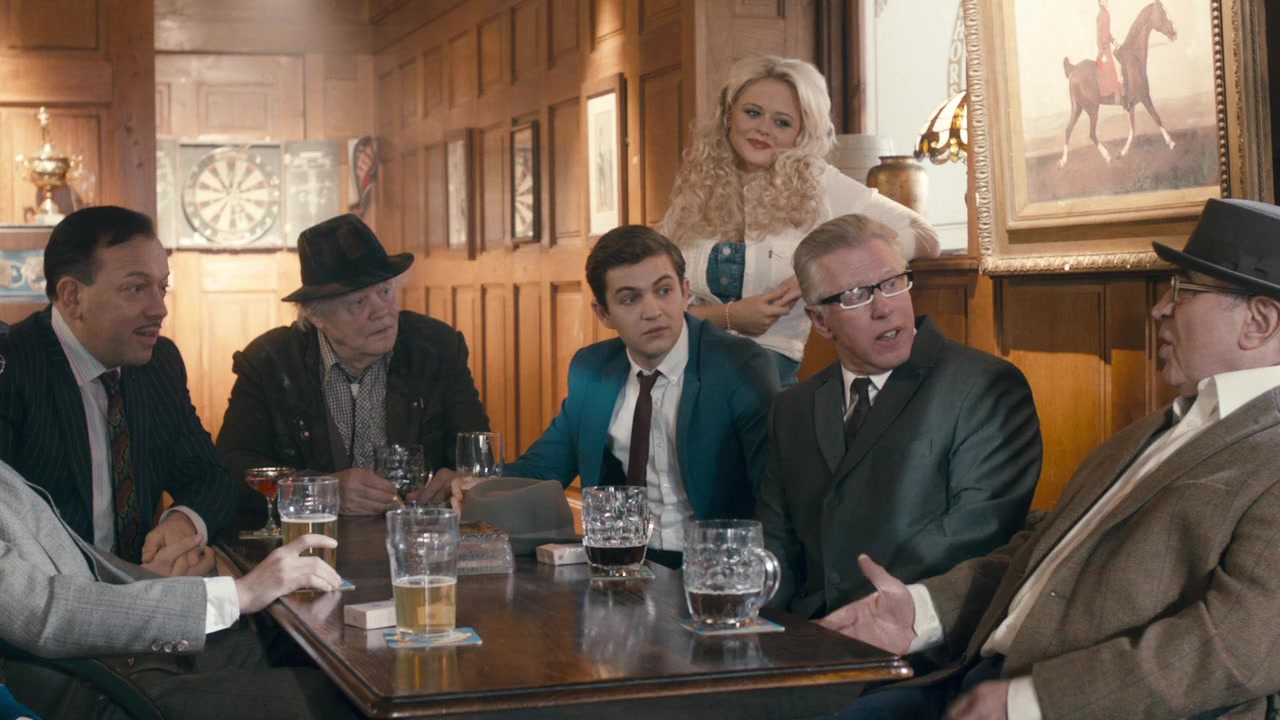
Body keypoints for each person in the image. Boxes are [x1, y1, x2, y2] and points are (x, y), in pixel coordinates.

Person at [822, 198, 1280, 719]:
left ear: (1259, 321)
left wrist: (1033, 702)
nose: (1160, 309)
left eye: (1184, 291)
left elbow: (1237, 649)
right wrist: (920, 612)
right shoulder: (1151, 431)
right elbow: (1039, 557)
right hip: (971, 681)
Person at [756, 214, 1041, 621]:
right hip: (807, 633)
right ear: (819, 321)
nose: (884, 308)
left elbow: (975, 534)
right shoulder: (793, 408)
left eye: (892, 284)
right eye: (856, 295)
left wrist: (862, 616)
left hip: (919, 633)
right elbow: (775, 541)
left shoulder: (986, 387)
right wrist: (761, 629)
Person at [461, 225, 780, 568]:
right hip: (621, 564)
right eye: (630, 299)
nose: (652, 311)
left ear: (686, 292)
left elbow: (776, 496)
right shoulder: (592, 370)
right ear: (603, 314)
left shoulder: (738, 367)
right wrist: (480, 487)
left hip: (714, 566)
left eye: (664, 291)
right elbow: (543, 469)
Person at [0, 451, 357, 719]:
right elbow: (41, 611)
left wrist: (161, 582)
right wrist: (238, 594)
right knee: (332, 701)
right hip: (99, 689)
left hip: (124, 654)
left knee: (306, 648)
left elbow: (81, 566)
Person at [662, 55, 941, 388]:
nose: (764, 128)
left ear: (801, 133)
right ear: (728, 116)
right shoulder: (696, 191)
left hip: (766, 380)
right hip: (684, 370)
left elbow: (925, 236)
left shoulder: (819, 185)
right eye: (752, 113)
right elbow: (662, 306)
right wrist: (730, 317)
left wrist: (815, 275)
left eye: (782, 122)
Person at [0, 206, 243, 576]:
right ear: (72, 297)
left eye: (162, 287)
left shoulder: (160, 362)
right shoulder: (12, 369)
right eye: (136, 289)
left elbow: (209, 477)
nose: (160, 309)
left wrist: (183, 525)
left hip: (148, 595)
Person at [217, 214, 489, 516]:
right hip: (310, 539)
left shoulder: (437, 349)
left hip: (415, 532)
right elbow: (231, 467)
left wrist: (462, 480)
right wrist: (321, 491)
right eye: (358, 302)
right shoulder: (269, 363)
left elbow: (479, 454)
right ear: (316, 315)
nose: (381, 311)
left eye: (385, 291)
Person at [1096, 0, 1127, 108]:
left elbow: (1106, 33)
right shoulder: (1101, 15)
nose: (1106, 1)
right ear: (1100, 2)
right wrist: (1101, 51)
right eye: (1104, 0)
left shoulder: (1106, 13)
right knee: (1117, 68)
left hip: (1108, 48)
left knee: (1119, 65)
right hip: (1104, 50)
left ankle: (1122, 96)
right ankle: (1122, 97)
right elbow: (1099, 35)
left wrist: (1113, 41)